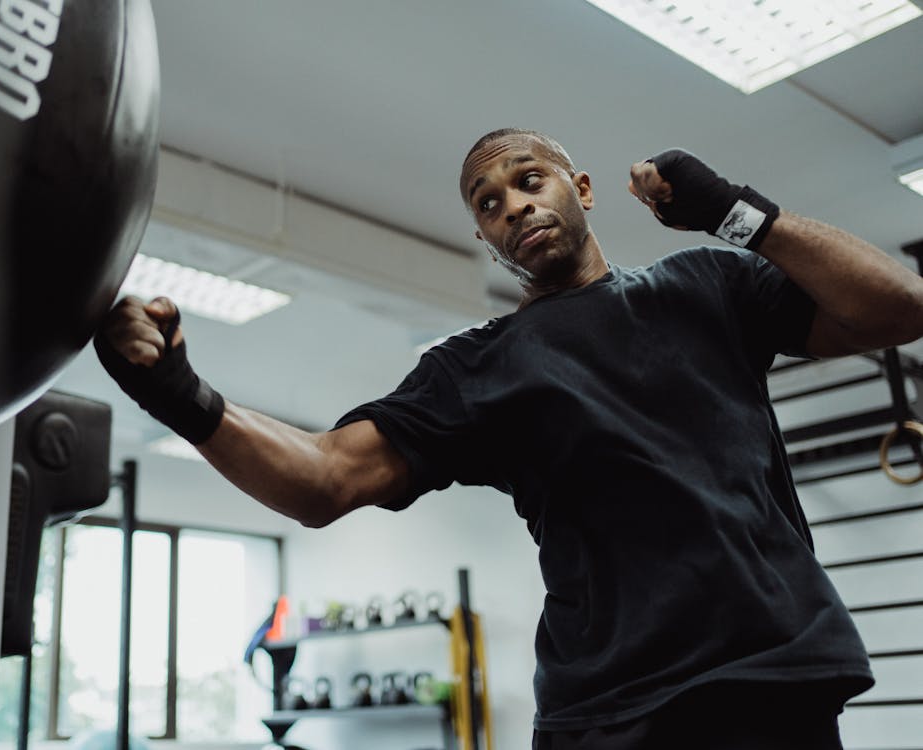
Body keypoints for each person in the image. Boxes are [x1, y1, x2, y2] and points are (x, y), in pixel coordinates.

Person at [94, 129, 923, 749]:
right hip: (610, 712)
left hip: (771, 680)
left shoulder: (703, 285)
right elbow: (324, 479)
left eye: (529, 180)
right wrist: (181, 398)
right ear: (485, 239)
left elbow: (898, 307)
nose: (513, 205)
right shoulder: (474, 369)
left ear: (581, 189)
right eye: (487, 203)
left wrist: (738, 215)